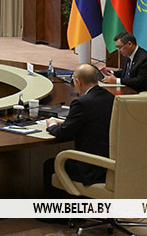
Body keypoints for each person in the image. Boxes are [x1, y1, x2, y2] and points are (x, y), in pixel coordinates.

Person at [44, 63, 115, 194]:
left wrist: (52, 125)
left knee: (50, 165)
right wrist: (66, 122)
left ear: (78, 82)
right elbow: (94, 122)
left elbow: (63, 134)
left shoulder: (81, 103)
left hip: (90, 168)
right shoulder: (111, 97)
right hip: (110, 165)